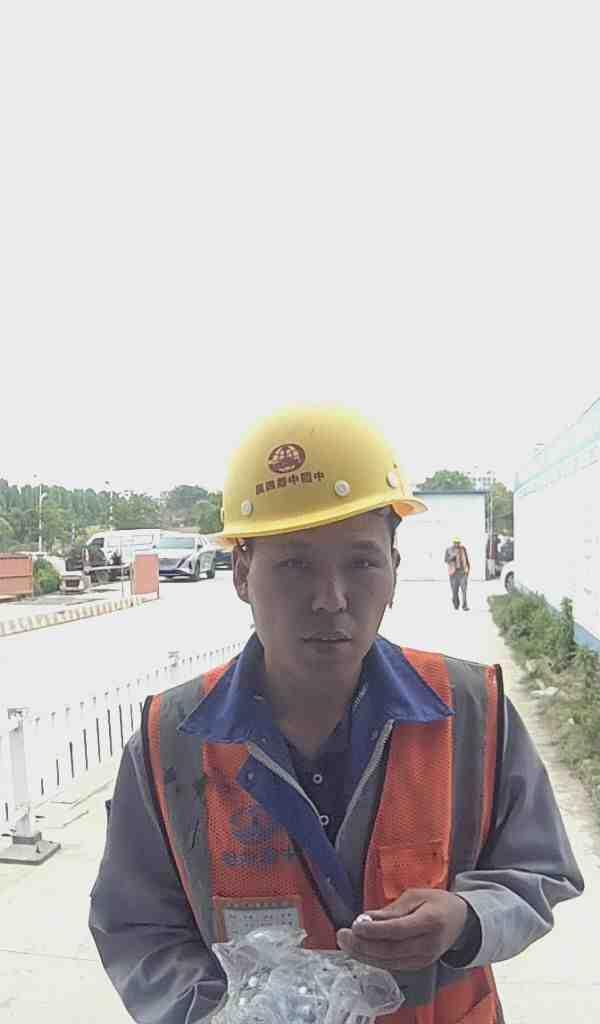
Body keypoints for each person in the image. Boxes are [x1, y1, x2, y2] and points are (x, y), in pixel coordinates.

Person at [89, 406, 583, 1024]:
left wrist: (468, 917)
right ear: (241, 574)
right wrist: (220, 1014)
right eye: (295, 564)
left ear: (395, 570)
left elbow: (540, 871)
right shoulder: (171, 738)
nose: (331, 599)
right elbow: (136, 926)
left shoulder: (471, 709)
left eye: (362, 562)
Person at [444, 537, 470, 610]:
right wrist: (452, 556)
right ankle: (456, 603)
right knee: (454, 591)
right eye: (455, 543)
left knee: (464, 590)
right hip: (453, 574)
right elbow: (446, 560)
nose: (457, 544)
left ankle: (464, 606)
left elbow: (466, 559)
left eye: (458, 543)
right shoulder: (448, 550)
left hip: (462, 573)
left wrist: (467, 570)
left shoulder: (463, 549)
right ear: (453, 543)